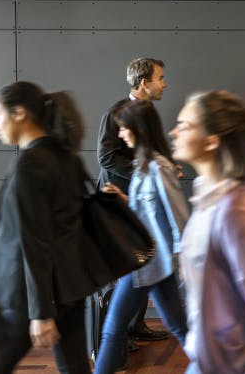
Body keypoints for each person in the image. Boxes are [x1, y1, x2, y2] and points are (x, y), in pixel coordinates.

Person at [171, 90, 245, 374]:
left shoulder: (235, 209)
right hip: (208, 358)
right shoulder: (208, 196)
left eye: (185, 126)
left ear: (212, 140)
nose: (173, 132)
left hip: (231, 364)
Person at [0, 82, 95, 374]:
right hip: (70, 286)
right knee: (75, 368)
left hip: (31, 294)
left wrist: (41, 313)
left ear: (19, 113)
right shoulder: (65, 156)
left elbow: (35, 242)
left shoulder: (30, 165)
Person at [94, 100, 189, 373]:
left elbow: (178, 217)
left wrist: (185, 264)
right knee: (180, 329)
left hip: (147, 262)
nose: (122, 135)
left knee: (112, 330)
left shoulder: (160, 168)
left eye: (124, 129)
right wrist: (122, 197)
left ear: (137, 128)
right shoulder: (143, 165)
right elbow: (146, 211)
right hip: (150, 264)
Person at [96, 56, 170, 342]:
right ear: (144, 83)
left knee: (142, 260)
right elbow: (106, 156)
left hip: (141, 200)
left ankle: (133, 326)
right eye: (160, 78)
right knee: (124, 266)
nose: (165, 84)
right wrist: (144, 173)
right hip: (120, 199)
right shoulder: (116, 113)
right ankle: (115, 337)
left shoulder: (148, 112)